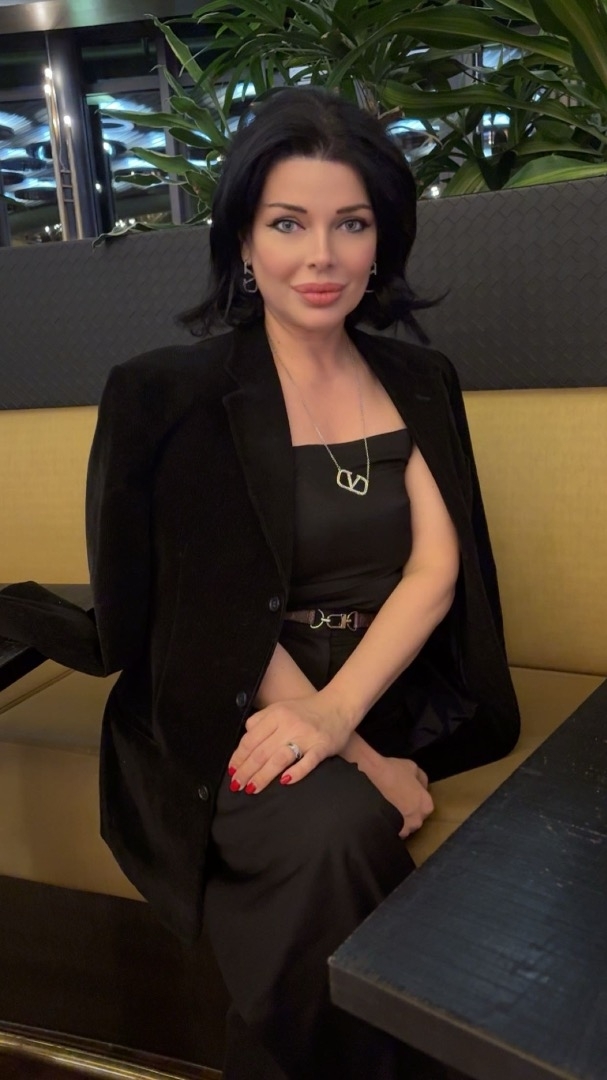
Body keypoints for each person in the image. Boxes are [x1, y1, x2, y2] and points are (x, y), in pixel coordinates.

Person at [0, 87, 520, 1079]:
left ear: (382, 240)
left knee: (335, 830)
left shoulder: (420, 381)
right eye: (288, 223)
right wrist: (352, 754)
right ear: (243, 239)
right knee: (333, 827)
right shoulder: (171, 391)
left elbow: (435, 568)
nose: (320, 256)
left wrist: (342, 716)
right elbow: (213, 605)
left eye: (349, 224)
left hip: (382, 680)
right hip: (227, 691)